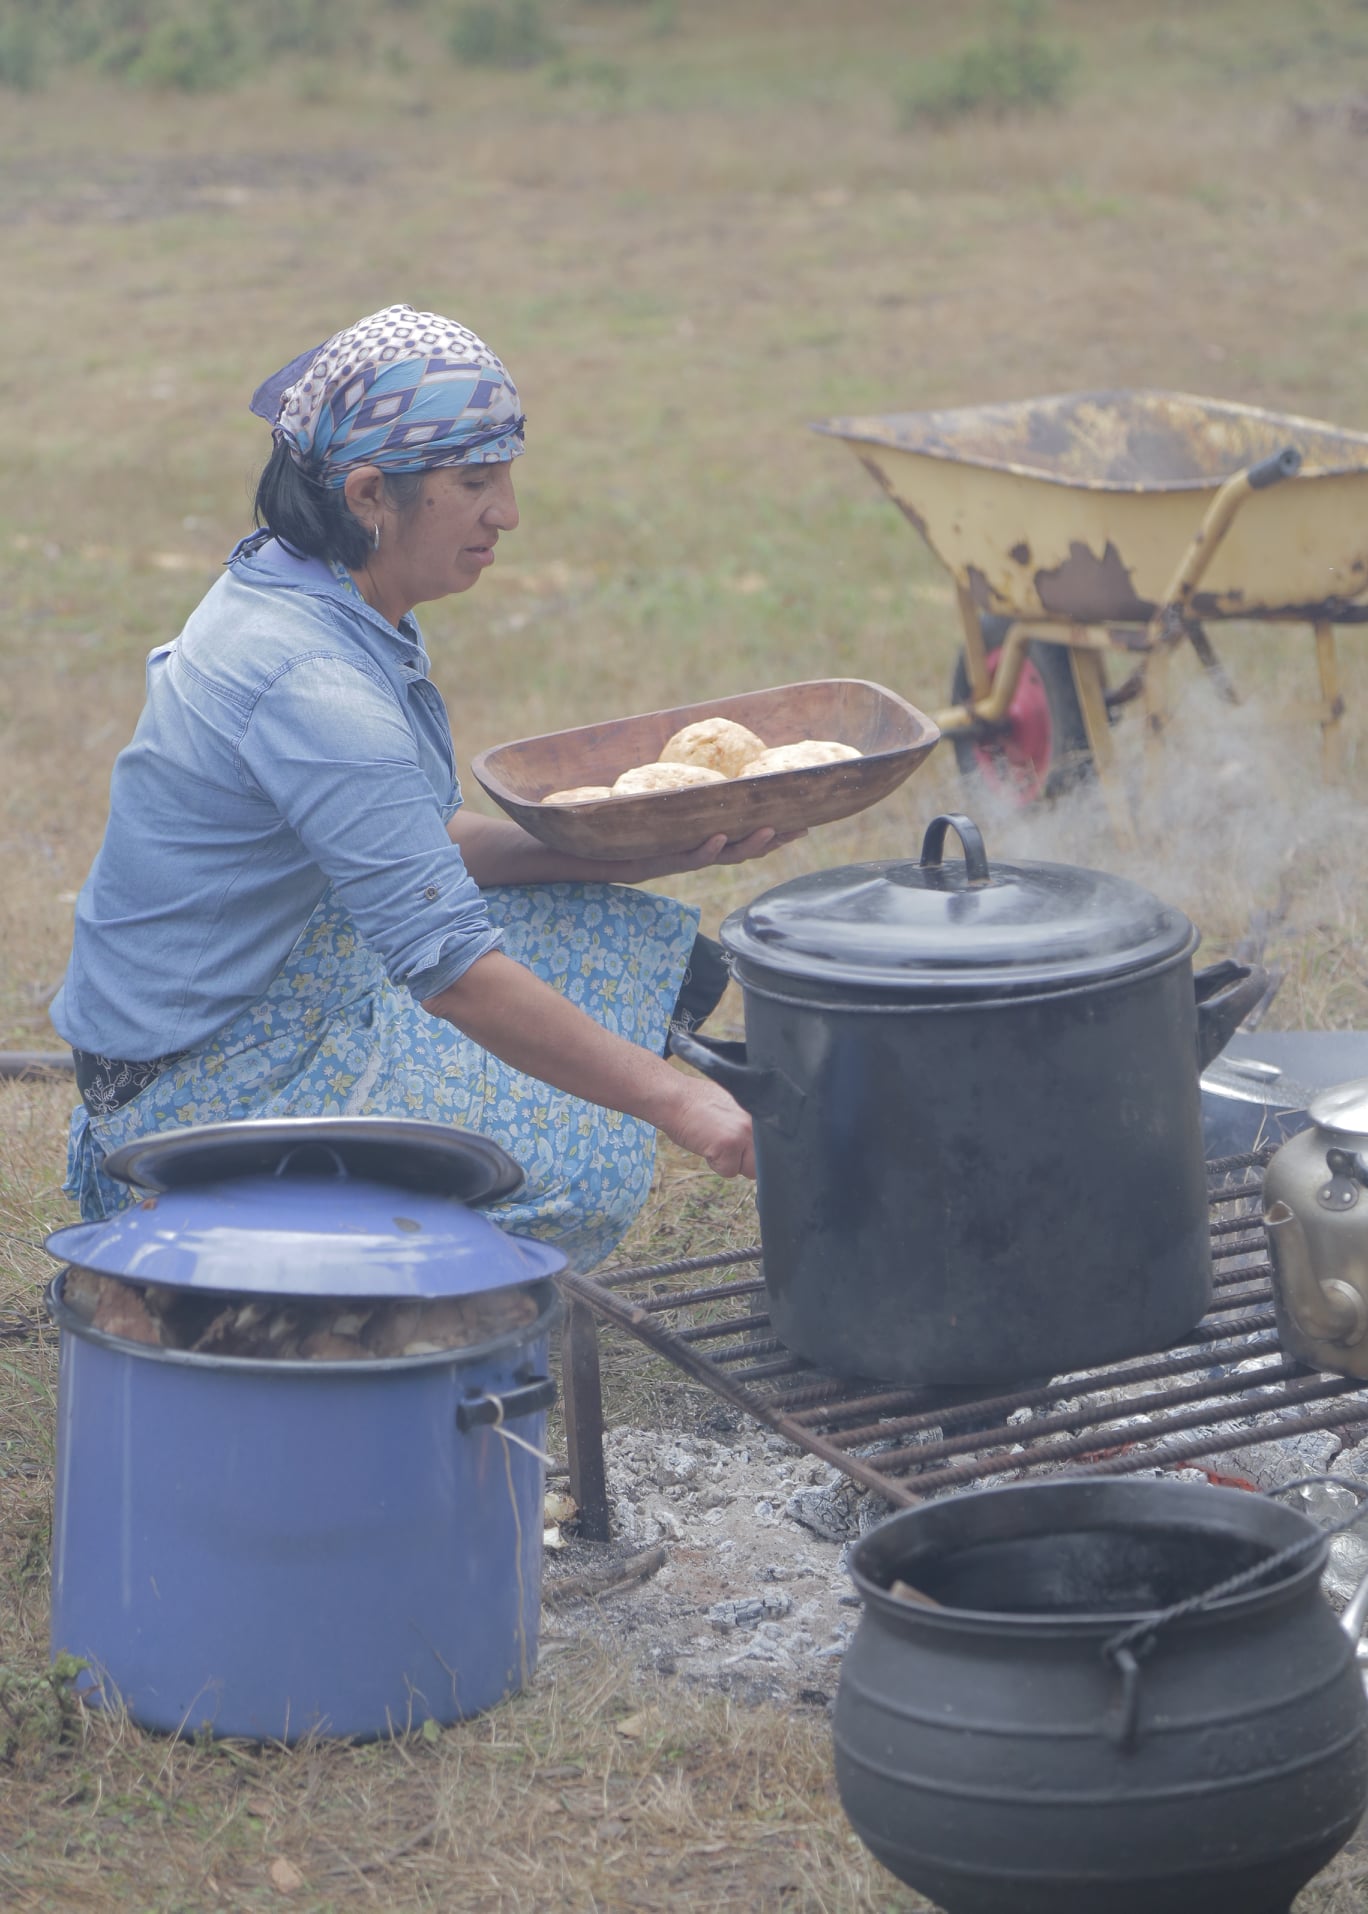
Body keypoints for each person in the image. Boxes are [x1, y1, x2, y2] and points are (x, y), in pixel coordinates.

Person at [50, 304, 796, 1270]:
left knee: (607, 926)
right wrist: (678, 1100)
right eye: (476, 482)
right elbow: (449, 968)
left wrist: (644, 844)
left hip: (264, 981)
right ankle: (237, 1241)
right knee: (579, 1159)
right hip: (196, 1083)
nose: (508, 513)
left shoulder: (325, 587)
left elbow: (424, 838)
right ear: (368, 493)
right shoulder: (308, 682)